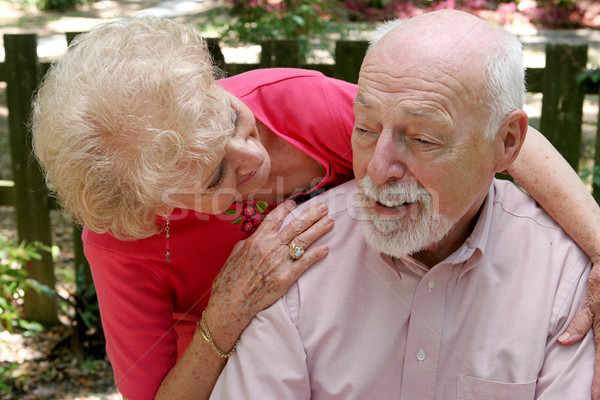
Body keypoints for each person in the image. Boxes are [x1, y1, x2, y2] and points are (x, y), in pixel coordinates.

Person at [30, 15, 600, 400]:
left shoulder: (291, 105)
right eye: (216, 174)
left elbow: (469, 132)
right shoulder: (123, 242)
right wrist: (225, 313)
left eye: (232, 119)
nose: (254, 156)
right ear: (152, 203)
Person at [209, 10, 595, 399]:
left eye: (424, 139)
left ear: (507, 142)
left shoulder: (565, 278)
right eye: (364, 129)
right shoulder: (292, 259)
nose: (377, 169)